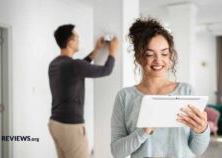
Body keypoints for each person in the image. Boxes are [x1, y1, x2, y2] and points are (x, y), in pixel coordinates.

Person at [110, 18, 210, 158]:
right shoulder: (125, 96)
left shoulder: (186, 92)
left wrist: (202, 130)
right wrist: (143, 131)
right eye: (150, 54)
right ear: (139, 57)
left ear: (170, 56)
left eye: (164, 53)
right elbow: (117, 152)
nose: (158, 60)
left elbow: (197, 150)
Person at [48, 24, 118, 158]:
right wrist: (113, 52)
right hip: (71, 127)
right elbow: (106, 70)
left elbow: (80, 66)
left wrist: (96, 50)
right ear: (70, 43)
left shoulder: (55, 64)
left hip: (55, 124)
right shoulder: (74, 65)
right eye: (77, 38)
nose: (79, 40)